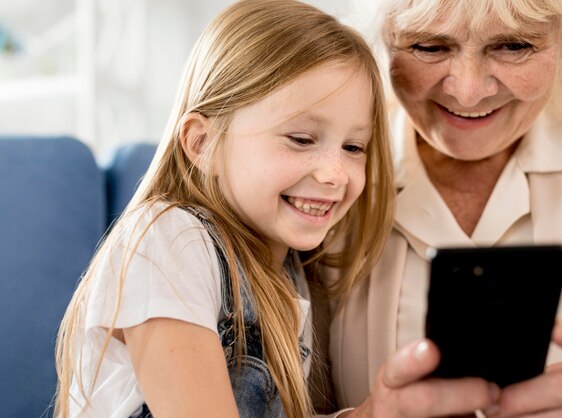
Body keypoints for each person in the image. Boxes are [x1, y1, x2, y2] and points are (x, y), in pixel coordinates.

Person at [52, 1, 396, 417]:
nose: (335, 174)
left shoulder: (287, 270)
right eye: (301, 139)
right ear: (202, 144)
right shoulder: (170, 239)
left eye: (354, 147)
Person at [329, 0, 562, 416]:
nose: (467, 92)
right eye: (429, 47)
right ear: (381, 38)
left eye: (514, 45)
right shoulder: (320, 181)